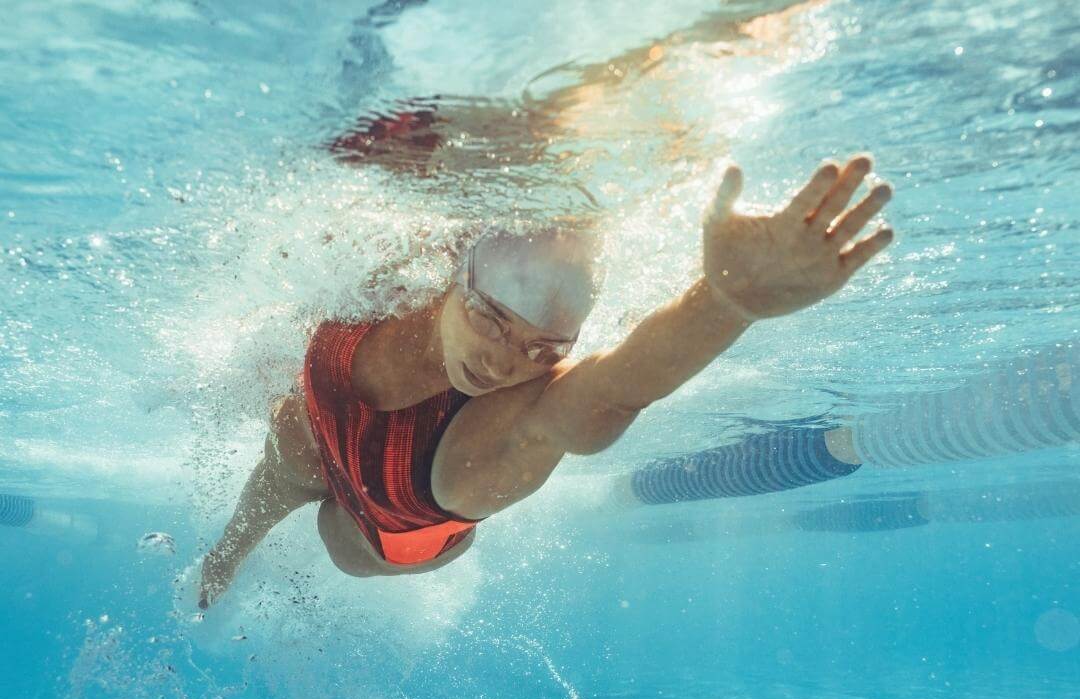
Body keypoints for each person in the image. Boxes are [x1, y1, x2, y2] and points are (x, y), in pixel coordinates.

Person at [198, 155, 894, 608]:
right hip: (333, 436)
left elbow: (617, 385)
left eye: (544, 347)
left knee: (334, 532)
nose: (505, 363)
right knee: (291, 435)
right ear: (455, 273)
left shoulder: (499, 438)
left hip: (393, 532)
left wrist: (729, 301)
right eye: (493, 320)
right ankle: (221, 562)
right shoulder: (400, 267)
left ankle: (279, 556)